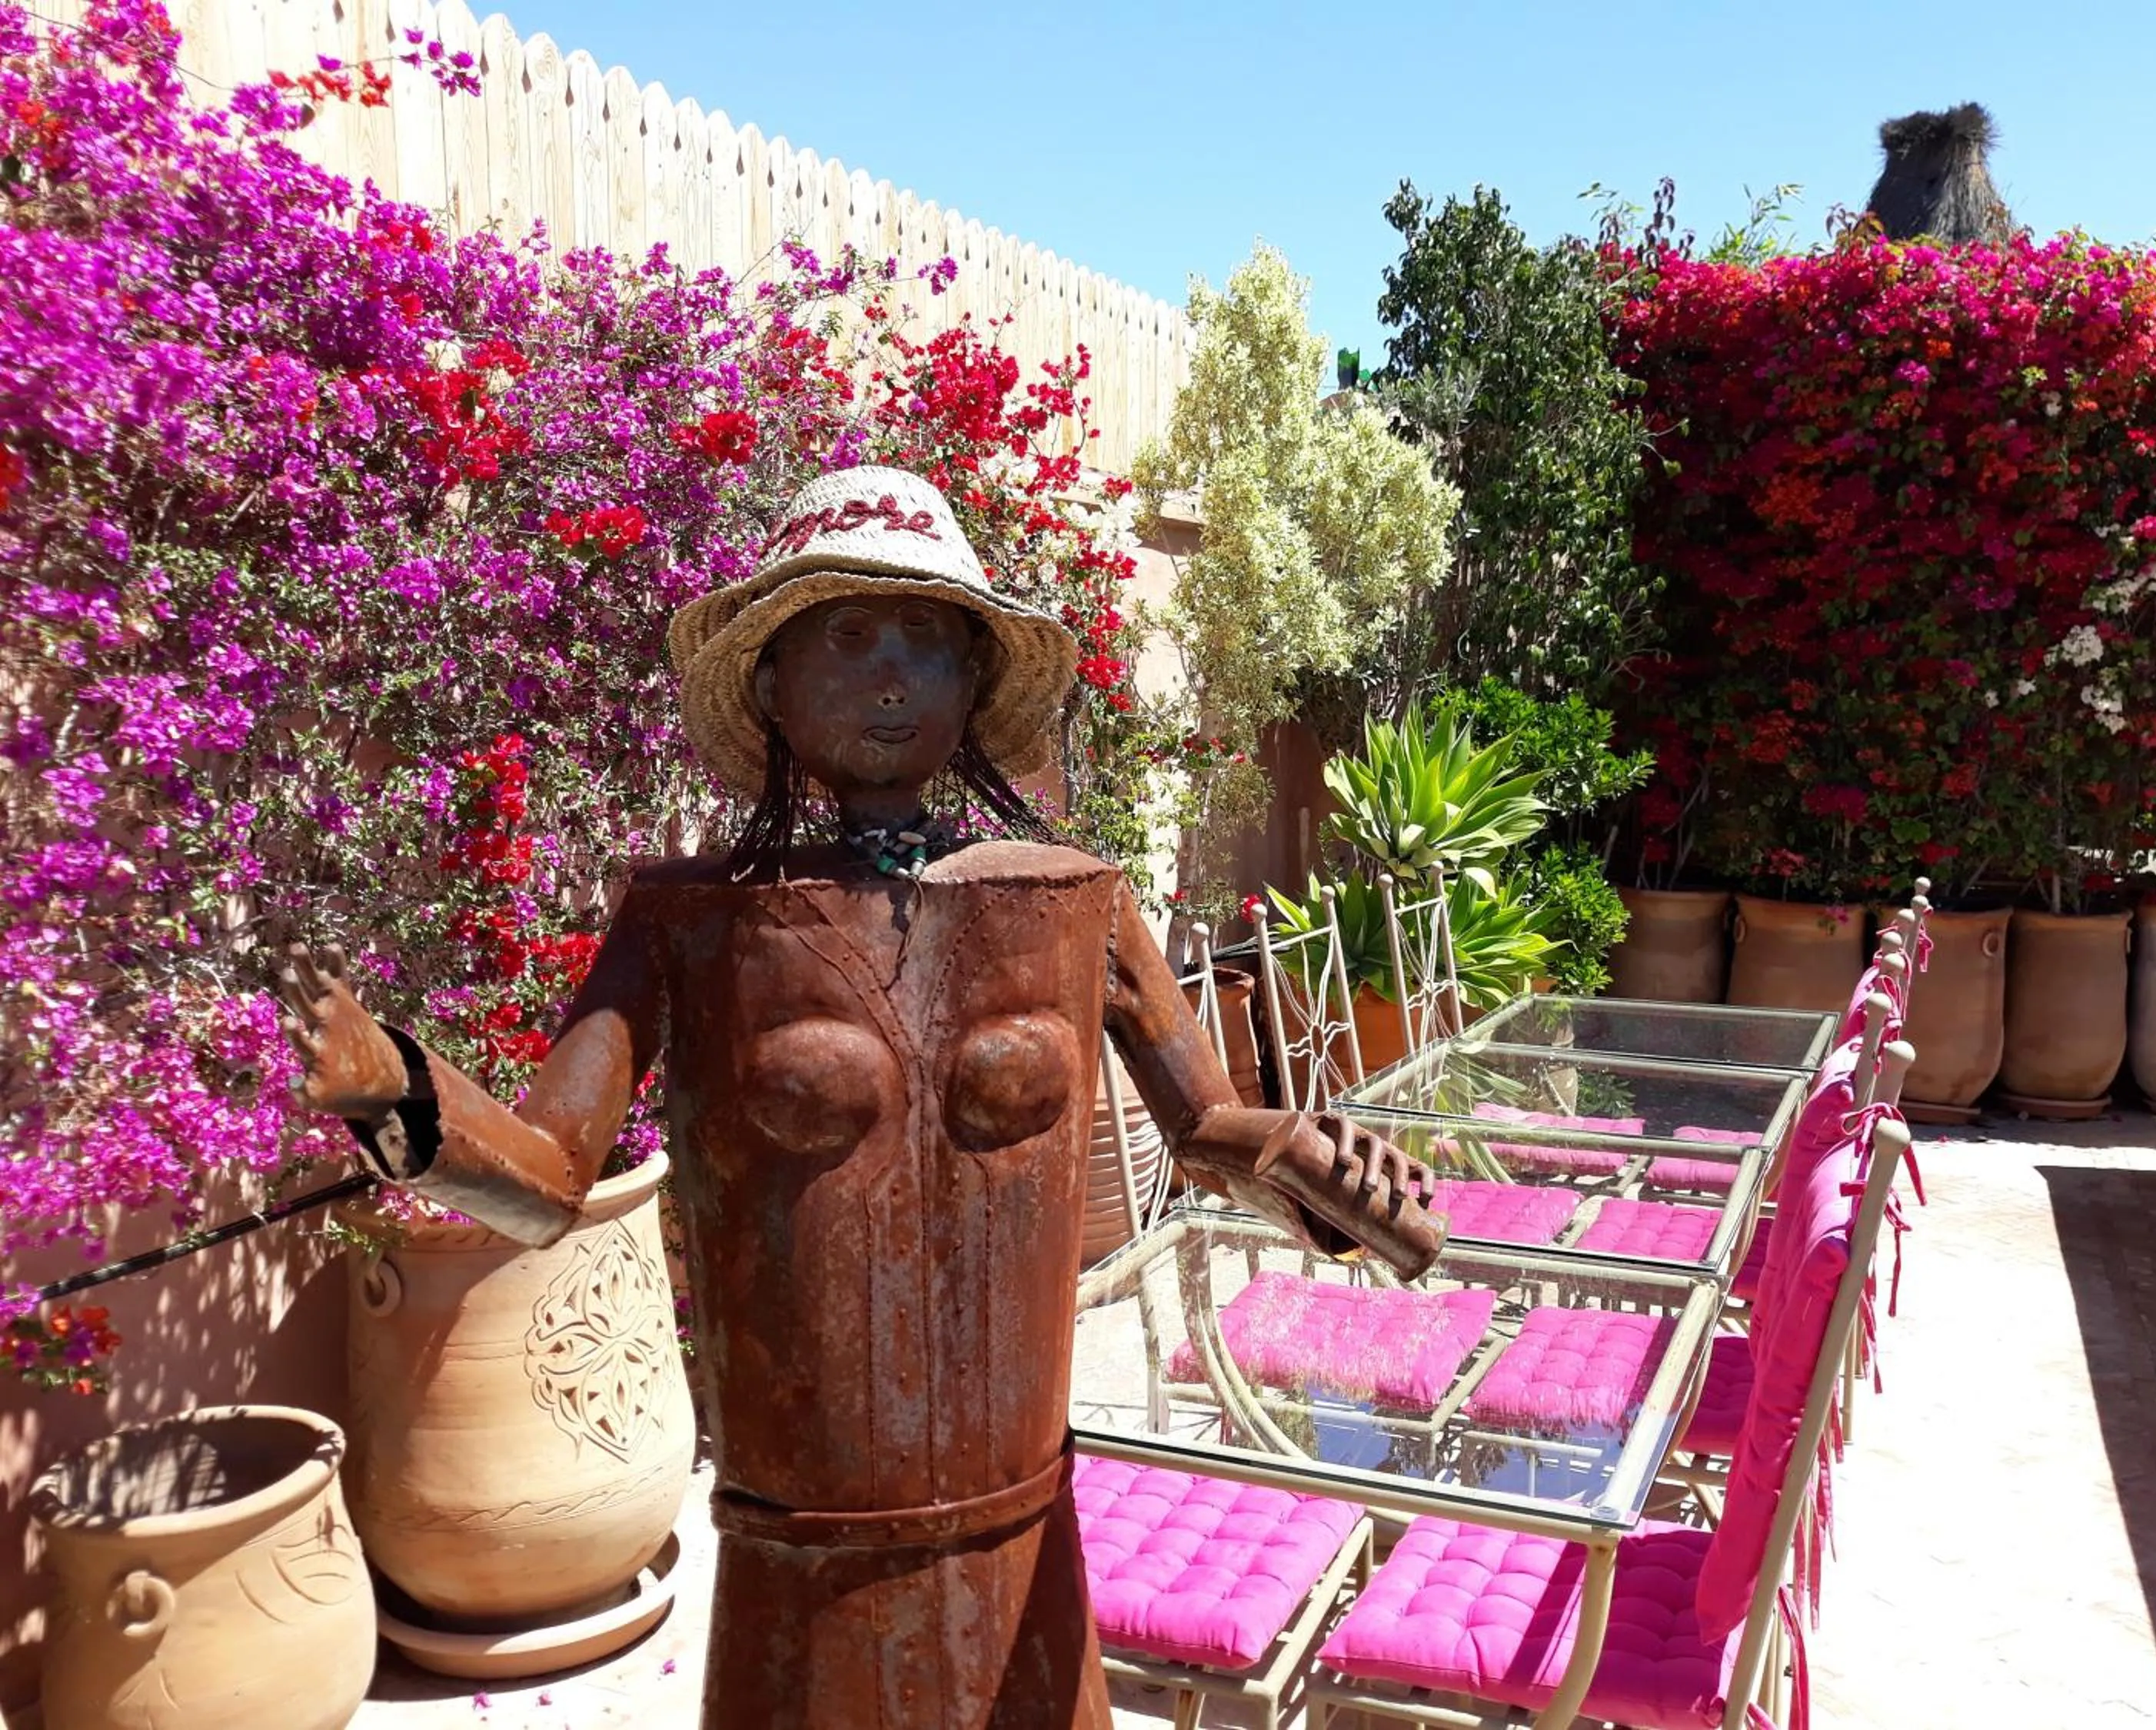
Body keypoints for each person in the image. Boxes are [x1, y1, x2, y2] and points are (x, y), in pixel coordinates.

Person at [278, 464, 1443, 1728]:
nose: (893, 672)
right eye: (848, 635)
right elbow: (553, 1177)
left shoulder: (1073, 899)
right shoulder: (687, 920)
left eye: (929, 640)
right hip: (804, 1558)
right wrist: (395, 1083)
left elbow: (1206, 1126)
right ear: (772, 682)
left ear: (977, 686)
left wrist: (1302, 1160)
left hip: (1020, 1540)